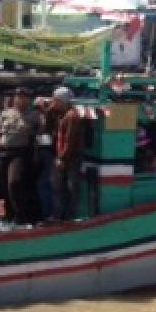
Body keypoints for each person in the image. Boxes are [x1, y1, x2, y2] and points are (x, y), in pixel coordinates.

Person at [0, 89, 39, 223]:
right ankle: (8, 214)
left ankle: (21, 215)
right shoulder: (6, 113)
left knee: (14, 182)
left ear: (28, 99)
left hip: (19, 153)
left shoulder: (34, 115)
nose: (18, 99)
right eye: (17, 97)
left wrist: (37, 153)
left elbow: (39, 135)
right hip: (3, 152)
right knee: (3, 184)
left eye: (22, 97)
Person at [54, 86, 85, 220]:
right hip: (67, 156)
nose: (54, 103)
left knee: (70, 187)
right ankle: (64, 214)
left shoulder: (72, 116)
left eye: (56, 101)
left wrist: (62, 157)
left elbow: (69, 139)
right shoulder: (65, 114)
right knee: (63, 186)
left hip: (71, 157)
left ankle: (70, 215)